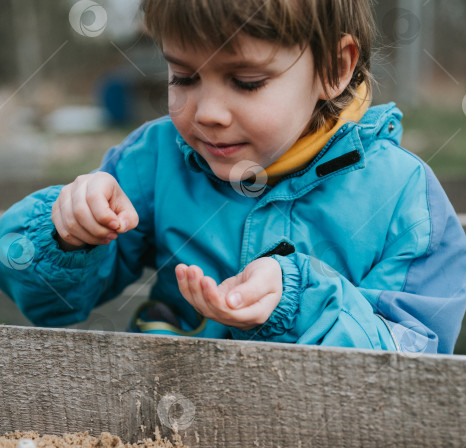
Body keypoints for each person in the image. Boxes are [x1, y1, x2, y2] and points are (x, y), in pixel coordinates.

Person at [0, 0, 465, 353]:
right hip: (164, 437)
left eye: (246, 82)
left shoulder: (404, 200)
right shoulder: (156, 159)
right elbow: (52, 304)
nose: (208, 113)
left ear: (334, 68)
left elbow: (411, 362)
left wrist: (301, 300)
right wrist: (65, 233)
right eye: (183, 78)